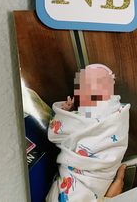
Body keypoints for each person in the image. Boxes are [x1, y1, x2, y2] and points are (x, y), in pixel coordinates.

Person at [46, 64, 130, 202]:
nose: (92, 88)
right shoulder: (79, 114)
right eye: (86, 85)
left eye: (99, 83)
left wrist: (65, 115)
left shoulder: (114, 111)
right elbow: (60, 131)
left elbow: (56, 131)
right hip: (77, 171)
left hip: (95, 172)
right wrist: (67, 113)